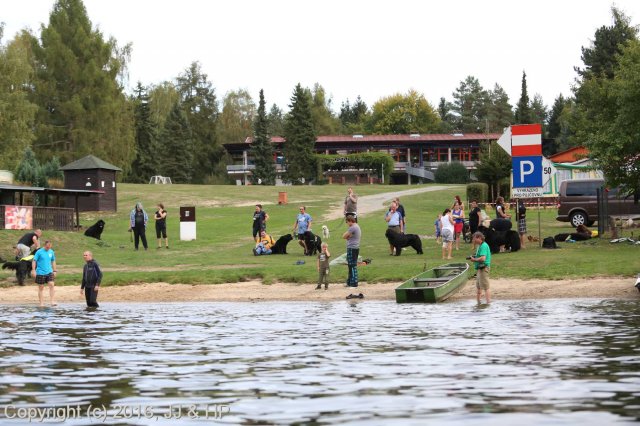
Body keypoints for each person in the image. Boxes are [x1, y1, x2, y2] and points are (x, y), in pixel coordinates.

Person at [31, 240, 57, 307]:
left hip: (49, 271)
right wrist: (33, 270)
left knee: (51, 284)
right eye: (47, 246)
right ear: (45, 245)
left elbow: (53, 261)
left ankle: (52, 301)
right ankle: (41, 303)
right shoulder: (39, 252)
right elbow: (34, 261)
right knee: (41, 287)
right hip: (40, 272)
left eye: (50, 246)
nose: (48, 248)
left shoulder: (51, 251)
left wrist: (54, 270)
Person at [343, 215, 363, 299]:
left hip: (352, 248)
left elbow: (344, 236)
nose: (347, 224)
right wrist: (348, 236)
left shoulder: (352, 227)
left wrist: (348, 236)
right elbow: (347, 236)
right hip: (355, 248)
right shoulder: (357, 226)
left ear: (350, 221)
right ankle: (349, 282)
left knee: (352, 265)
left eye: (347, 222)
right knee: (350, 265)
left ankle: (354, 283)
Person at [469, 231, 491, 304]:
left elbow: (483, 258)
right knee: (478, 287)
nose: (473, 240)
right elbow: (480, 256)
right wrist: (474, 257)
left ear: (479, 238)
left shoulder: (484, 246)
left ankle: (488, 303)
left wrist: (474, 259)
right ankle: (478, 303)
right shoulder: (479, 246)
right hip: (479, 268)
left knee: (485, 287)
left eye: (474, 239)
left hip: (484, 268)